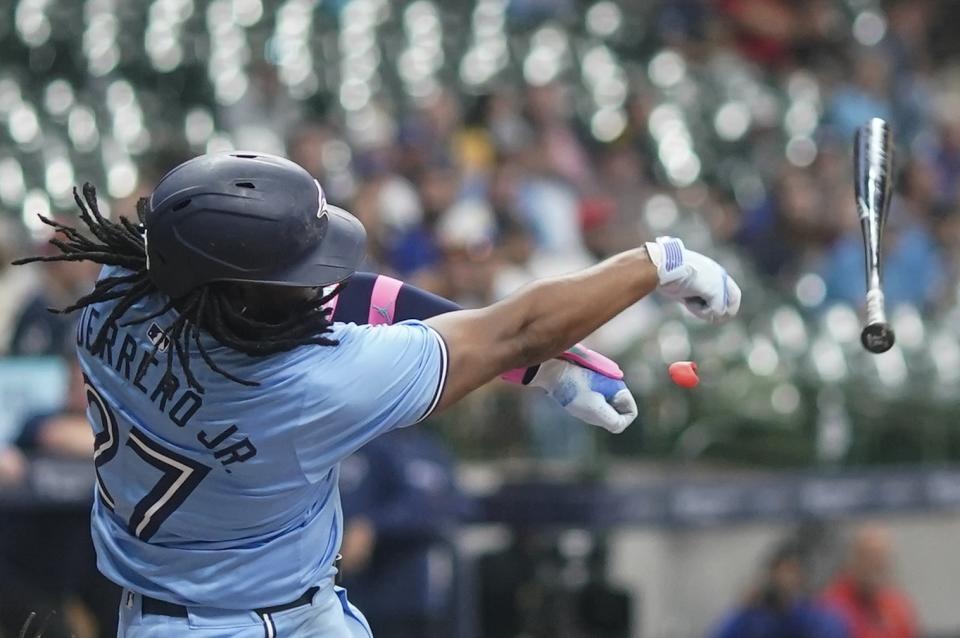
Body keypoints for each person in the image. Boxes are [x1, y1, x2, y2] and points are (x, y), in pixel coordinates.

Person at [13, 151, 740, 637]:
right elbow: (512, 330)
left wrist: (537, 365)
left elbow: (340, 298)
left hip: (178, 611)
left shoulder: (118, 289)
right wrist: (656, 264)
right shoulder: (303, 388)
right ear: (237, 296)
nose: (315, 284)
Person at [709, 540, 848, 638]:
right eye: (782, 571)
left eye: (794, 572)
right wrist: (742, 608)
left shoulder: (815, 613)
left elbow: (835, 630)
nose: (787, 579)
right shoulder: (754, 615)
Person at [821, 525, 918, 638]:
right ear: (853, 560)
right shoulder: (831, 608)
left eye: (882, 558)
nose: (877, 565)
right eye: (869, 557)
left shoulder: (898, 607)